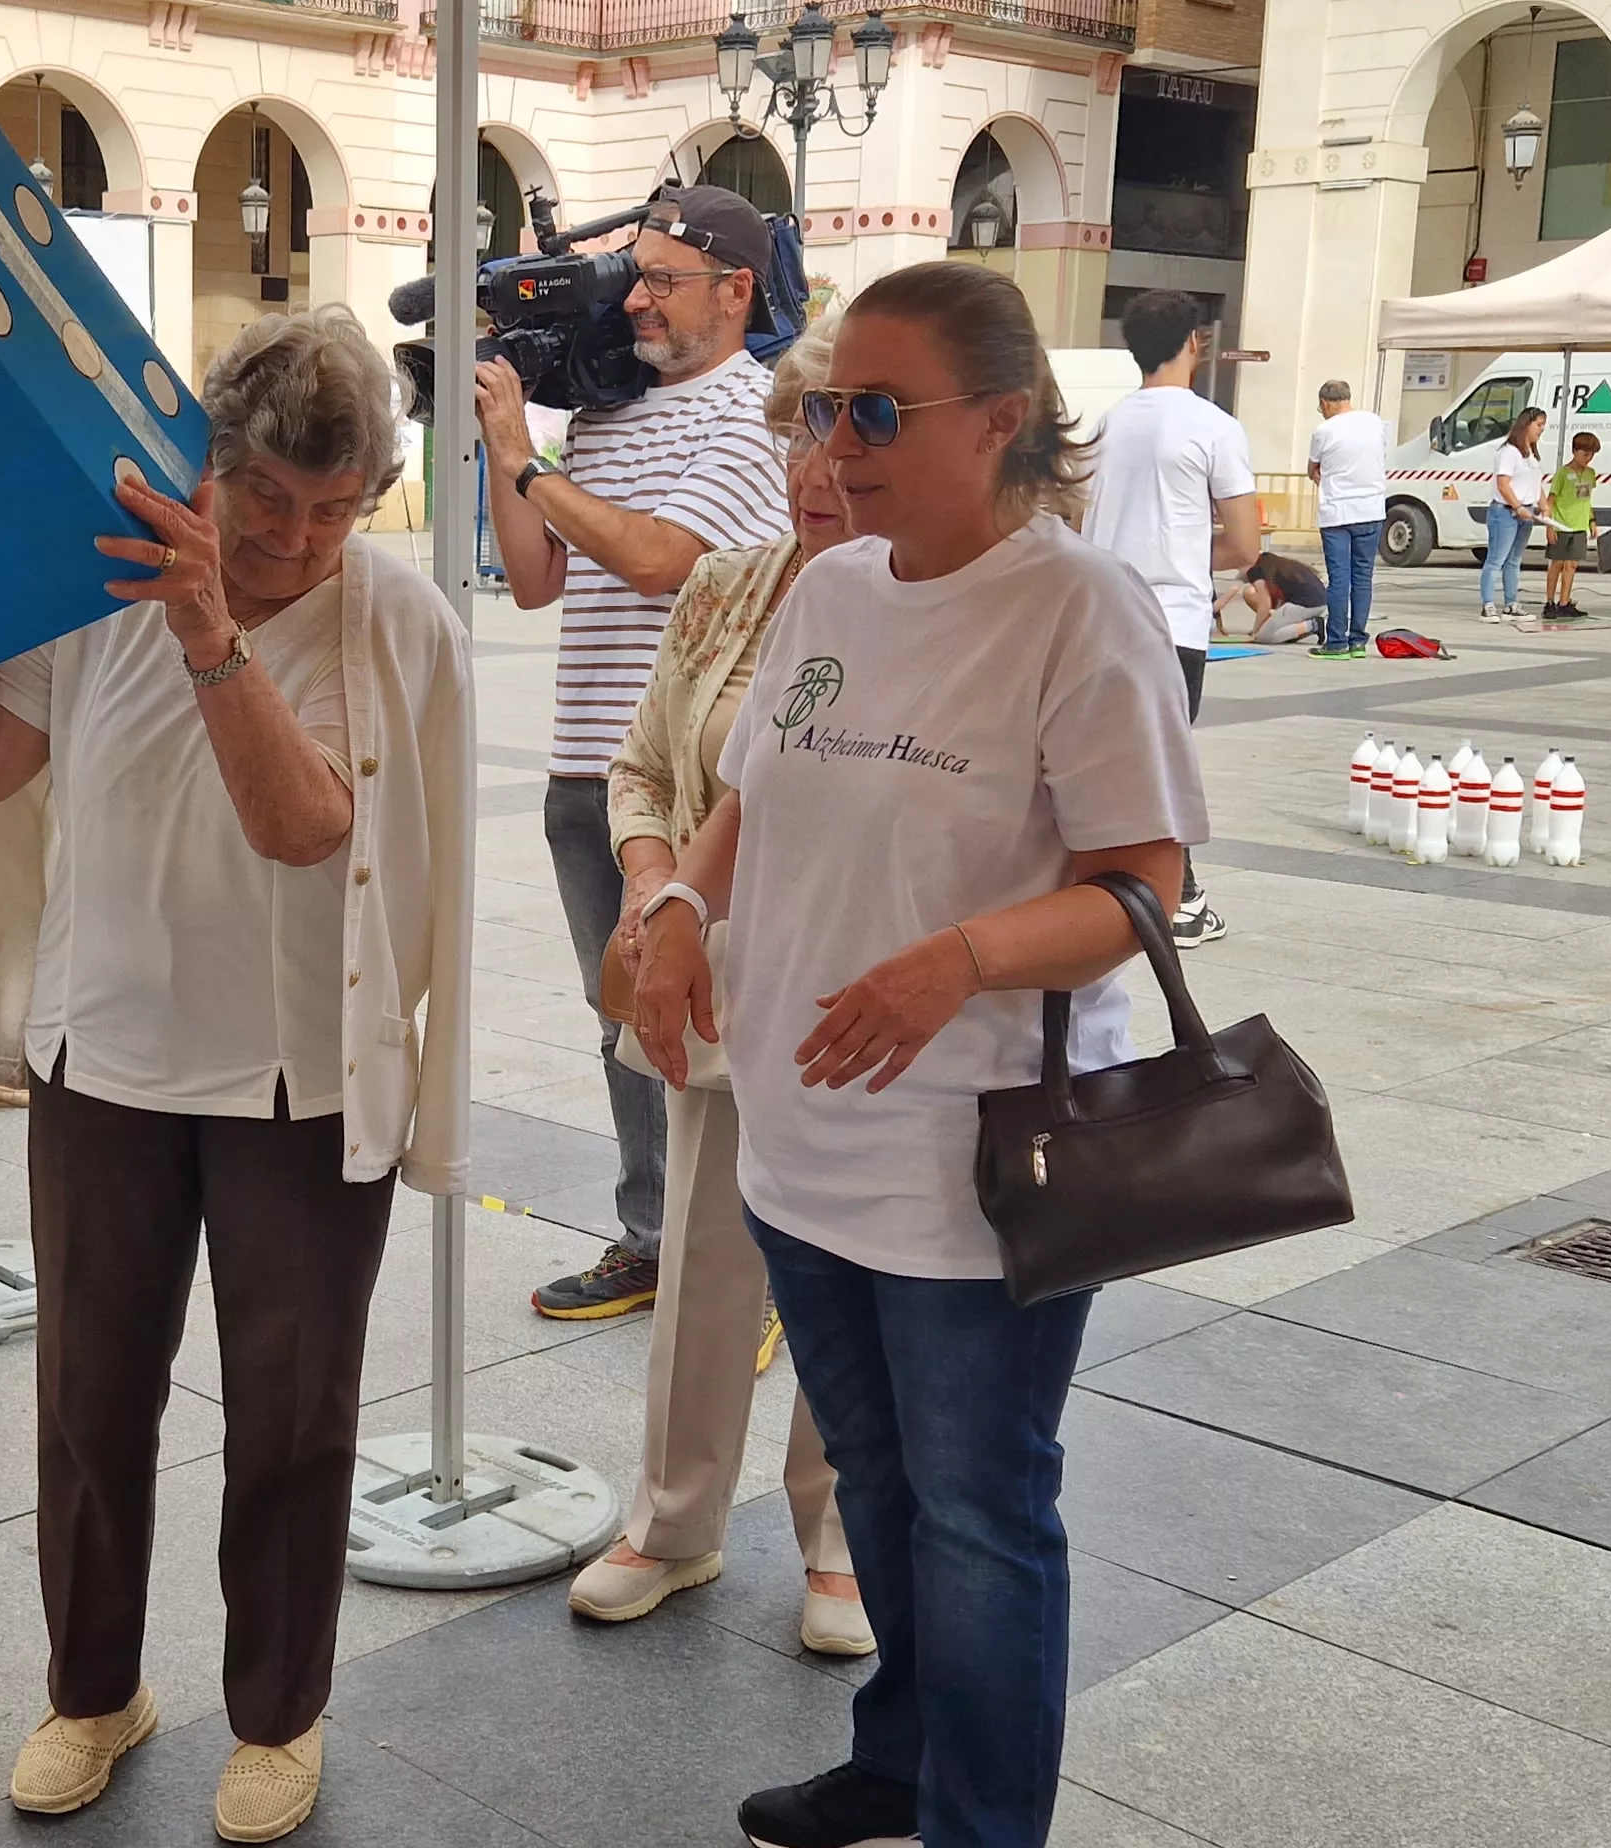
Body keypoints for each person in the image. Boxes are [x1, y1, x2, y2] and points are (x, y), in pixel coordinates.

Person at [629, 260, 1202, 1848]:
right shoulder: (832, 588)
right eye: (825, 409)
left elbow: (1143, 892)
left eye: (877, 411)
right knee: (876, 1488)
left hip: (978, 1166)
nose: (836, 442)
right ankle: (898, 1755)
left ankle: (981, 1824)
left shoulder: (1078, 609)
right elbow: (747, 794)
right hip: (805, 1146)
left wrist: (956, 959)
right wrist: (680, 900)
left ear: (1002, 421)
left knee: (981, 1516)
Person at [0, 308, 466, 1844]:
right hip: (106, 1060)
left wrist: (216, 628)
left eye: (333, 509)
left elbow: (303, 826)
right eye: (267, 499)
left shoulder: (390, 623)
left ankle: (279, 1715)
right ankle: (95, 1692)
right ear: (207, 470)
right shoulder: (95, 589)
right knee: (90, 1403)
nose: (295, 537)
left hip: (302, 1082)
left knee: (295, 1419)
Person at [568, 317, 866, 1654]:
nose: (820, 463)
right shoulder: (728, 589)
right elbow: (639, 764)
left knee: (854, 1271)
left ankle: (844, 1539)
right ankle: (675, 1523)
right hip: (713, 968)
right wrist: (650, 883)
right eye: (802, 426)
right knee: (699, 1259)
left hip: (868, 985)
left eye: (852, 432)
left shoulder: (927, 605)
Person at [479, 184, 792, 1322]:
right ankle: (652, 1235)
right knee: (621, 1017)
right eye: (637, 278)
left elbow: (660, 559)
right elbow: (532, 579)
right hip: (585, 767)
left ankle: (750, 1269)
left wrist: (524, 460)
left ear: (735, 290)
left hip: (697, 784)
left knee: (712, 1018)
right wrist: (499, 442)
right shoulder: (605, 418)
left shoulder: (757, 412)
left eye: (663, 280)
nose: (639, 301)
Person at [1078, 288, 1253, 950]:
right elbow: (1244, 543)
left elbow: (1073, 518)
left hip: (1100, 614)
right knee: (1163, 764)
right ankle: (1178, 899)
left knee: (1110, 759)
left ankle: (1135, 886)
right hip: (1173, 617)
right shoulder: (1214, 427)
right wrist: (1185, 553)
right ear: (1195, 343)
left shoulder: (1103, 425)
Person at [1305, 379, 1387, 658]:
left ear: (1326, 403)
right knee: (1363, 577)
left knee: (1340, 578)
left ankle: (1336, 642)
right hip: (1372, 510)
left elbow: (1313, 468)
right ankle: (1359, 641)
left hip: (1337, 513)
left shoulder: (1324, 430)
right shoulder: (1375, 422)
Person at [1480, 407, 1546, 622]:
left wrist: (1543, 505)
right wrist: (1518, 507)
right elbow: (1503, 483)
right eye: (1538, 425)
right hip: (1506, 512)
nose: (1541, 429)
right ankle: (1488, 604)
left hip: (1526, 510)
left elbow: (1535, 482)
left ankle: (1511, 604)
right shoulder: (1509, 451)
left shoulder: (1531, 453)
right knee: (1496, 559)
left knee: (1514, 560)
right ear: (1526, 424)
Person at [1543, 430, 1602, 617]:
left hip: (1579, 525)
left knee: (1572, 565)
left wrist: (1592, 520)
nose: (1588, 458)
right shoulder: (1562, 473)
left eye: (1592, 454)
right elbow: (1551, 500)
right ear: (1575, 451)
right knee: (1557, 563)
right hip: (1561, 524)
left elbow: (1586, 499)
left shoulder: (1590, 474)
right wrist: (1549, 525)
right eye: (1585, 454)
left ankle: (1564, 602)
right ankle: (1550, 601)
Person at [1232, 549, 1332, 645]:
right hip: (1319, 603)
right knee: (1281, 635)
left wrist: (1255, 632)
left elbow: (1265, 604)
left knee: (1263, 637)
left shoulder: (1255, 571)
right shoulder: (1275, 563)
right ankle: (1311, 625)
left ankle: (1314, 625)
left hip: (1304, 604)